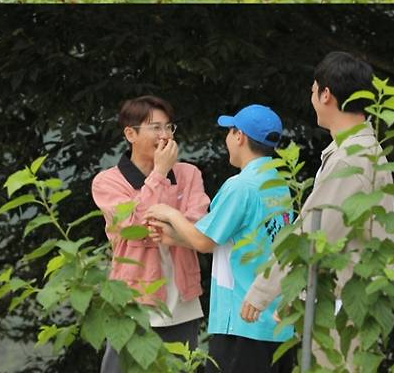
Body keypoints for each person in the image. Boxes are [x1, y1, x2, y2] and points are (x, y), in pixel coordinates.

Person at [240, 52, 394, 372]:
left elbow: (314, 233)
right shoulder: (360, 149)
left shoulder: (351, 158)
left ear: (326, 94)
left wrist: (263, 291)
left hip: (343, 308)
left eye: (313, 90)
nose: (312, 98)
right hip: (347, 302)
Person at [146, 104, 294, 373]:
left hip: (241, 320)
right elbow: (224, 238)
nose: (227, 139)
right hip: (276, 322)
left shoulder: (240, 185)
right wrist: (174, 238)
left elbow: (204, 241)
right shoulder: (279, 185)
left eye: (229, 131)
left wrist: (170, 213)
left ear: (239, 136)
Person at [92, 94, 209, 373]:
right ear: (130, 134)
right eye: (155, 128)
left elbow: (199, 224)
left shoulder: (189, 173)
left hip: (182, 297)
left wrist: (170, 231)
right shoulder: (107, 181)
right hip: (134, 297)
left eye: (168, 127)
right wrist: (159, 172)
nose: (164, 135)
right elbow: (132, 227)